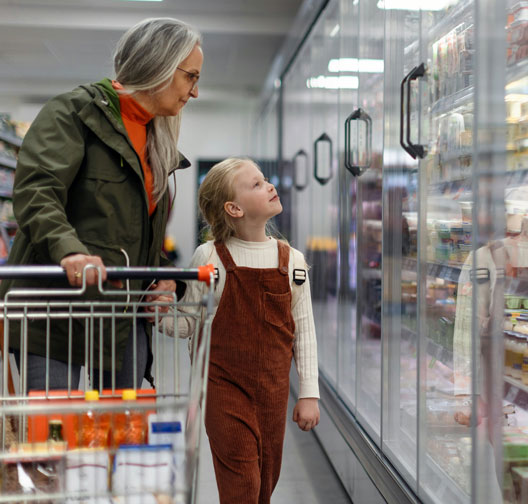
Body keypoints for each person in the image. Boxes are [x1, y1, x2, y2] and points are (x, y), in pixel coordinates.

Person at [0, 17, 203, 392]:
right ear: (159, 64)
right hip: (54, 314)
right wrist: (70, 251)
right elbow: (36, 191)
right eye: (191, 76)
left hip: (122, 317)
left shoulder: (158, 140)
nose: (194, 92)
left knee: (122, 435)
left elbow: (130, 231)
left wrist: (164, 276)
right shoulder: (73, 113)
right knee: (55, 440)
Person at [170, 157, 320, 504]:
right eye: (256, 184)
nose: (269, 185)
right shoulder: (210, 257)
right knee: (243, 485)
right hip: (223, 388)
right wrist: (160, 309)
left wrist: (309, 393)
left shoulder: (292, 260)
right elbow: (186, 324)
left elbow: (305, 331)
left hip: (273, 390)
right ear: (234, 208)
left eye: (265, 179)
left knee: (265, 483)